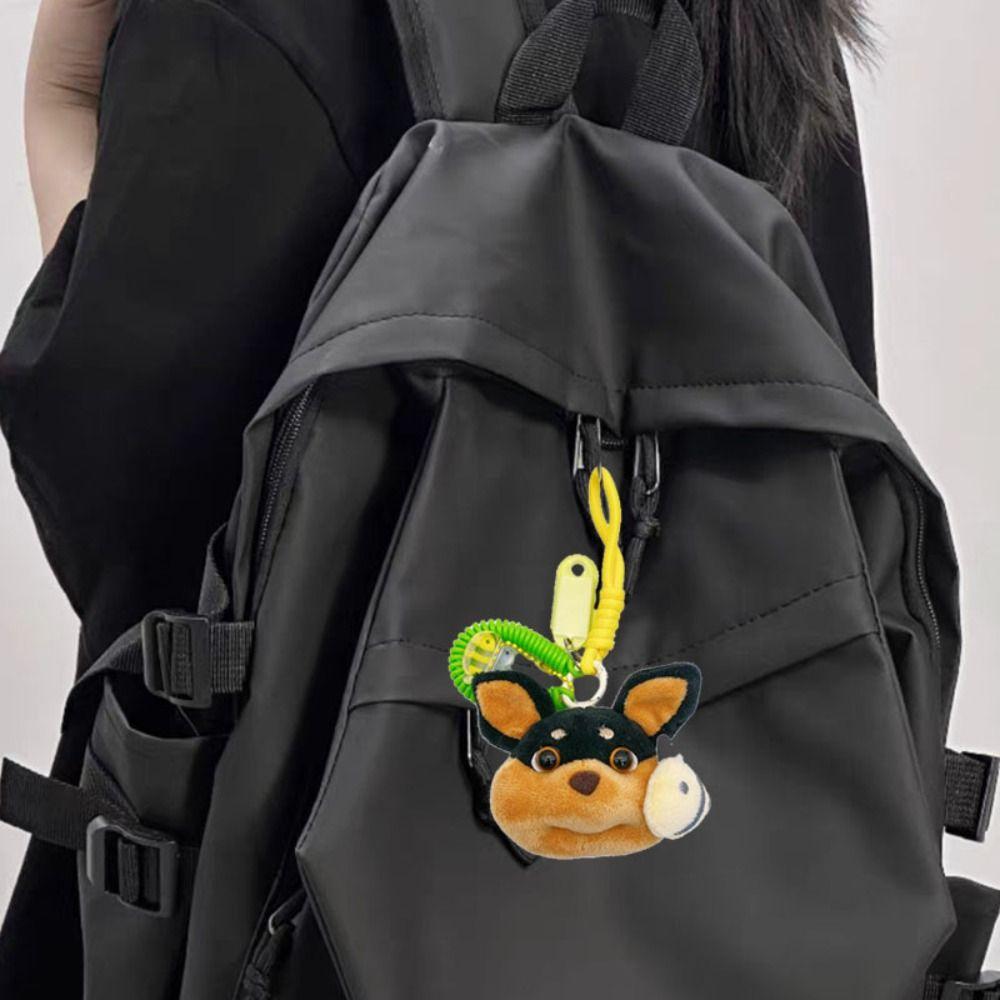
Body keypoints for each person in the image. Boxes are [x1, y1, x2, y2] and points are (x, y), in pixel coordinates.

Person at [0, 0, 876, 994]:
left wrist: (57, 102)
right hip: (720, 934)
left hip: (301, 924)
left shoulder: (249, 20)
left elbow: (140, 521)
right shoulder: (769, 32)